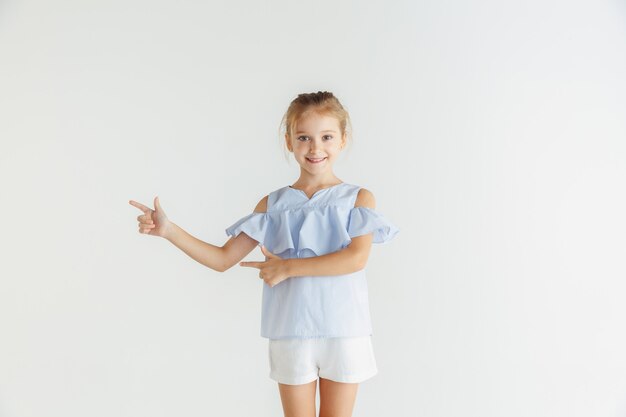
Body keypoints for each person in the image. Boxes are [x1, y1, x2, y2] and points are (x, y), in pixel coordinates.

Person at [129, 91, 399, 417]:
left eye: (326, 137)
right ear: (289, 141)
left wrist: (288, 267)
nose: (315, 148)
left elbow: (355, 258)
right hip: (290, 332)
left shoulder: (358, 198)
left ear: (343, 139)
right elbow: (223, 259)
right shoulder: (272, 206)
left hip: (345, 330)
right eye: (304, 137)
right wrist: (170, 231)